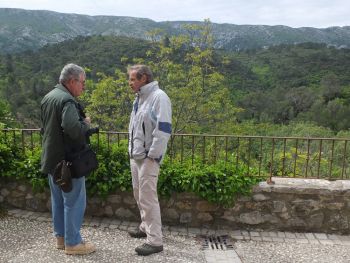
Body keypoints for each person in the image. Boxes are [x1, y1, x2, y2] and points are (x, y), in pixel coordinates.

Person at [40, 63, 96, 255]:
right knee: (74, 201)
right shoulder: (67, 101)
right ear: (72, 81)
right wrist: (86, 124)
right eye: (82, 82)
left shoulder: (49, 97)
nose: (84, 87)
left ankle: (61, 239)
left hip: (51, 159)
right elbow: (73, 130)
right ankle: (73, 243)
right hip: (68, 163)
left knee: (58, 201)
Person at [127, 65, 172, 256]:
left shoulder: (159, 97)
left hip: (148, 158)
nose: (129, 83)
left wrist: (153, 156)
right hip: (137, 156)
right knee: (139, 195)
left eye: (132, 79)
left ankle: (155, 241)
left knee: (148, 198)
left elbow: (163, 129)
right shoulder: (140, 99)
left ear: (143, 78)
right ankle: (145, 227)